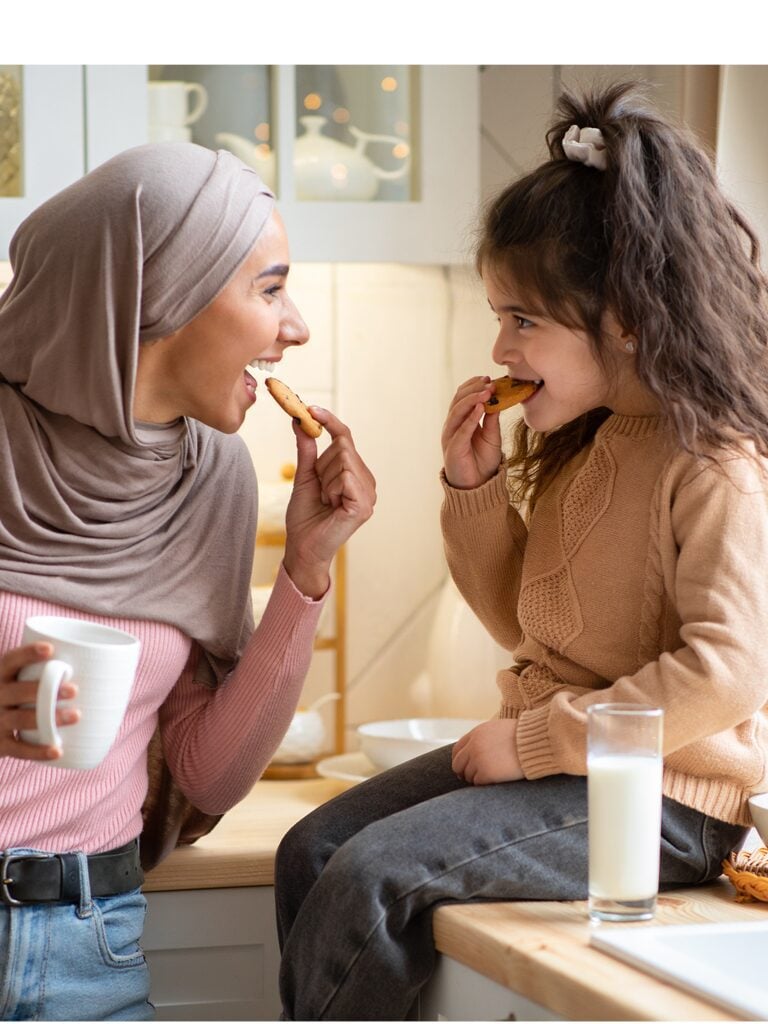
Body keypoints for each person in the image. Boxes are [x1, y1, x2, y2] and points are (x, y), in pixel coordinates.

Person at [274, 80, 768, 1020]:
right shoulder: (587, 439)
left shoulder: (714, 462)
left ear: (624, 315)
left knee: (371, 874)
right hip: (572, 770)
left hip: (664, 803)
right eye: (499, 315)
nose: (498, 345)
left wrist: (538, 738)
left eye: (523, 320)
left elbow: (728, 671)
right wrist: (475, 489)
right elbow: (529, 624)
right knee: (311, 849)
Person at [0, 142, 376, 1020]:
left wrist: (306, 572)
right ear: (164, 291)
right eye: (270, 288)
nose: (297, 327)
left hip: (86, 943)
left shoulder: (213, 478)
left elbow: (205, 775)